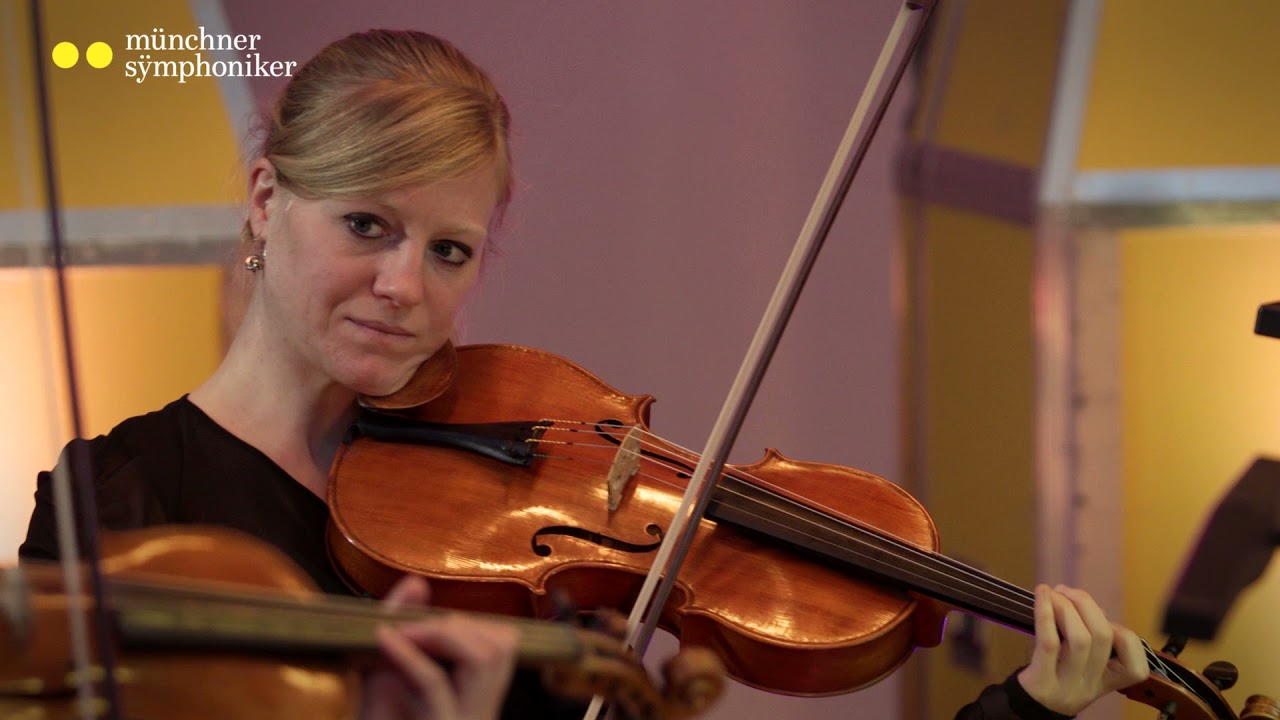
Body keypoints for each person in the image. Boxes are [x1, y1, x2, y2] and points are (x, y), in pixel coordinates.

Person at [19, 29, 1147, 720]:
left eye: (448, 248)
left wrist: (1032, 715)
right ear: (266, 204)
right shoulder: (122, 504)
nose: (405, 285)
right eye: (367, 225)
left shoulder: (531, 505)